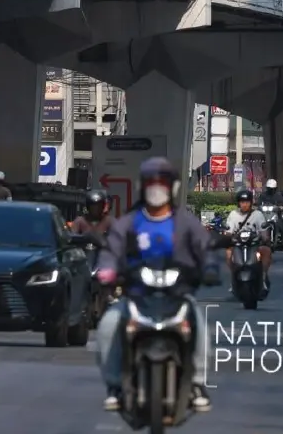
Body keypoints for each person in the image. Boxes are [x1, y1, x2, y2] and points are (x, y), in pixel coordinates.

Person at [95, 156, 217, 414]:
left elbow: (205, 248)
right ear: (142, 186)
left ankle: (196, 384)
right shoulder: (128, 222)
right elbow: (111, 250)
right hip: (136, 296)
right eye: (151, 182)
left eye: (162, 183)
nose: (156, 188)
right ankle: (115, 386)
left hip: (177, 295)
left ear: (172, 188)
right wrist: (106, 270)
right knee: (107, 327)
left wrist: (210, 268)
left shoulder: (186, 223)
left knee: (201, 328)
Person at [223, 189, 272, 291]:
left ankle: (262, 278)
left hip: (254, 245)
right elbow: (229, 231)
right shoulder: (233, 214)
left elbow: (263, 230)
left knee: (266, 251)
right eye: (242, 202)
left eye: (247, 202)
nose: (244, 205)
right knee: (228, 253)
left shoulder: (257, 214)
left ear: (251, 203)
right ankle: (234, 279)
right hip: (238, 245)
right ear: (238, 203)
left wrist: (266, 239)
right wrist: (227, 237)